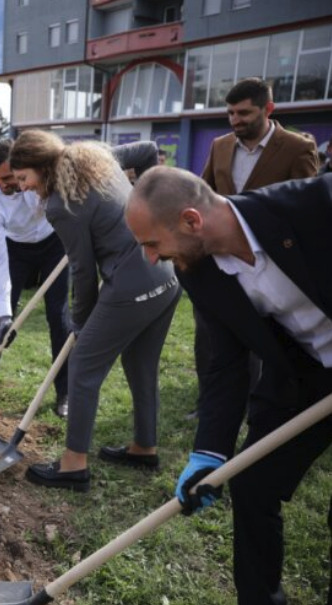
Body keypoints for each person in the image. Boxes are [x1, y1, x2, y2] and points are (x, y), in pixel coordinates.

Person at [125, 167, 332, 605]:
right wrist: (209, 452)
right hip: (304, 376)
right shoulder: (197, 271)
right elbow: (226, 362)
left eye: (152, 243)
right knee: (253, 483)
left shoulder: (315, 204)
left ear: (191, 221)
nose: (150, 258)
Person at [9, 130, 180, 492]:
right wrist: (143, 202)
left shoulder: (61, 205)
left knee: (84, 366)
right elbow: (149, 150)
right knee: (141, 365)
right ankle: (144, 448)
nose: (22, 186)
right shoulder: (97, 158)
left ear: (41, 166)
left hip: (132, 286)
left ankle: (73, 466)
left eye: (23, 178)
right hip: (166, 275)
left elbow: (82, 271)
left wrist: (80, 324)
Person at [194, 77, 319, 417]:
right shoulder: (220, 145)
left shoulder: (296, 148)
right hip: (223, 256)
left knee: (268, 335)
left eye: (244, 113)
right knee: (213, 332)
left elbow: (309, 206)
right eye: (231, 113)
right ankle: (211, 400)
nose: (236, 120)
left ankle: (263, 401)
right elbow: (204, 193)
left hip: (275, 262)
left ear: (268, 109)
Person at [0, 138, 70, 417]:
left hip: (54, 243)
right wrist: (5, 314)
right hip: (16, 249)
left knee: (59, 315)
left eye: (8, 177)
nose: (3, 184)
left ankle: (65, 391)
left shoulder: (38, 180)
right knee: (0, 315)